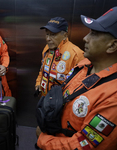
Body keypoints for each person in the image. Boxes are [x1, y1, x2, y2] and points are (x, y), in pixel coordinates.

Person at [37, 6, 117, 150]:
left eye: (94, 33)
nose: (85, 38)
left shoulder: (113, 97)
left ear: (112, 46)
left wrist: (44, 141)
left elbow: (85, 144)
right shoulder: (85, 64)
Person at [35, 17, 84, 98]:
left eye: (53, 35)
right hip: (44, 99)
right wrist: (38, 84)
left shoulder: (76, 54)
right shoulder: (46, 48)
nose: (48, 39)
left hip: (61, 104)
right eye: (47, 34)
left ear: (64, 35)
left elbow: (79, 85)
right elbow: (42, 70)